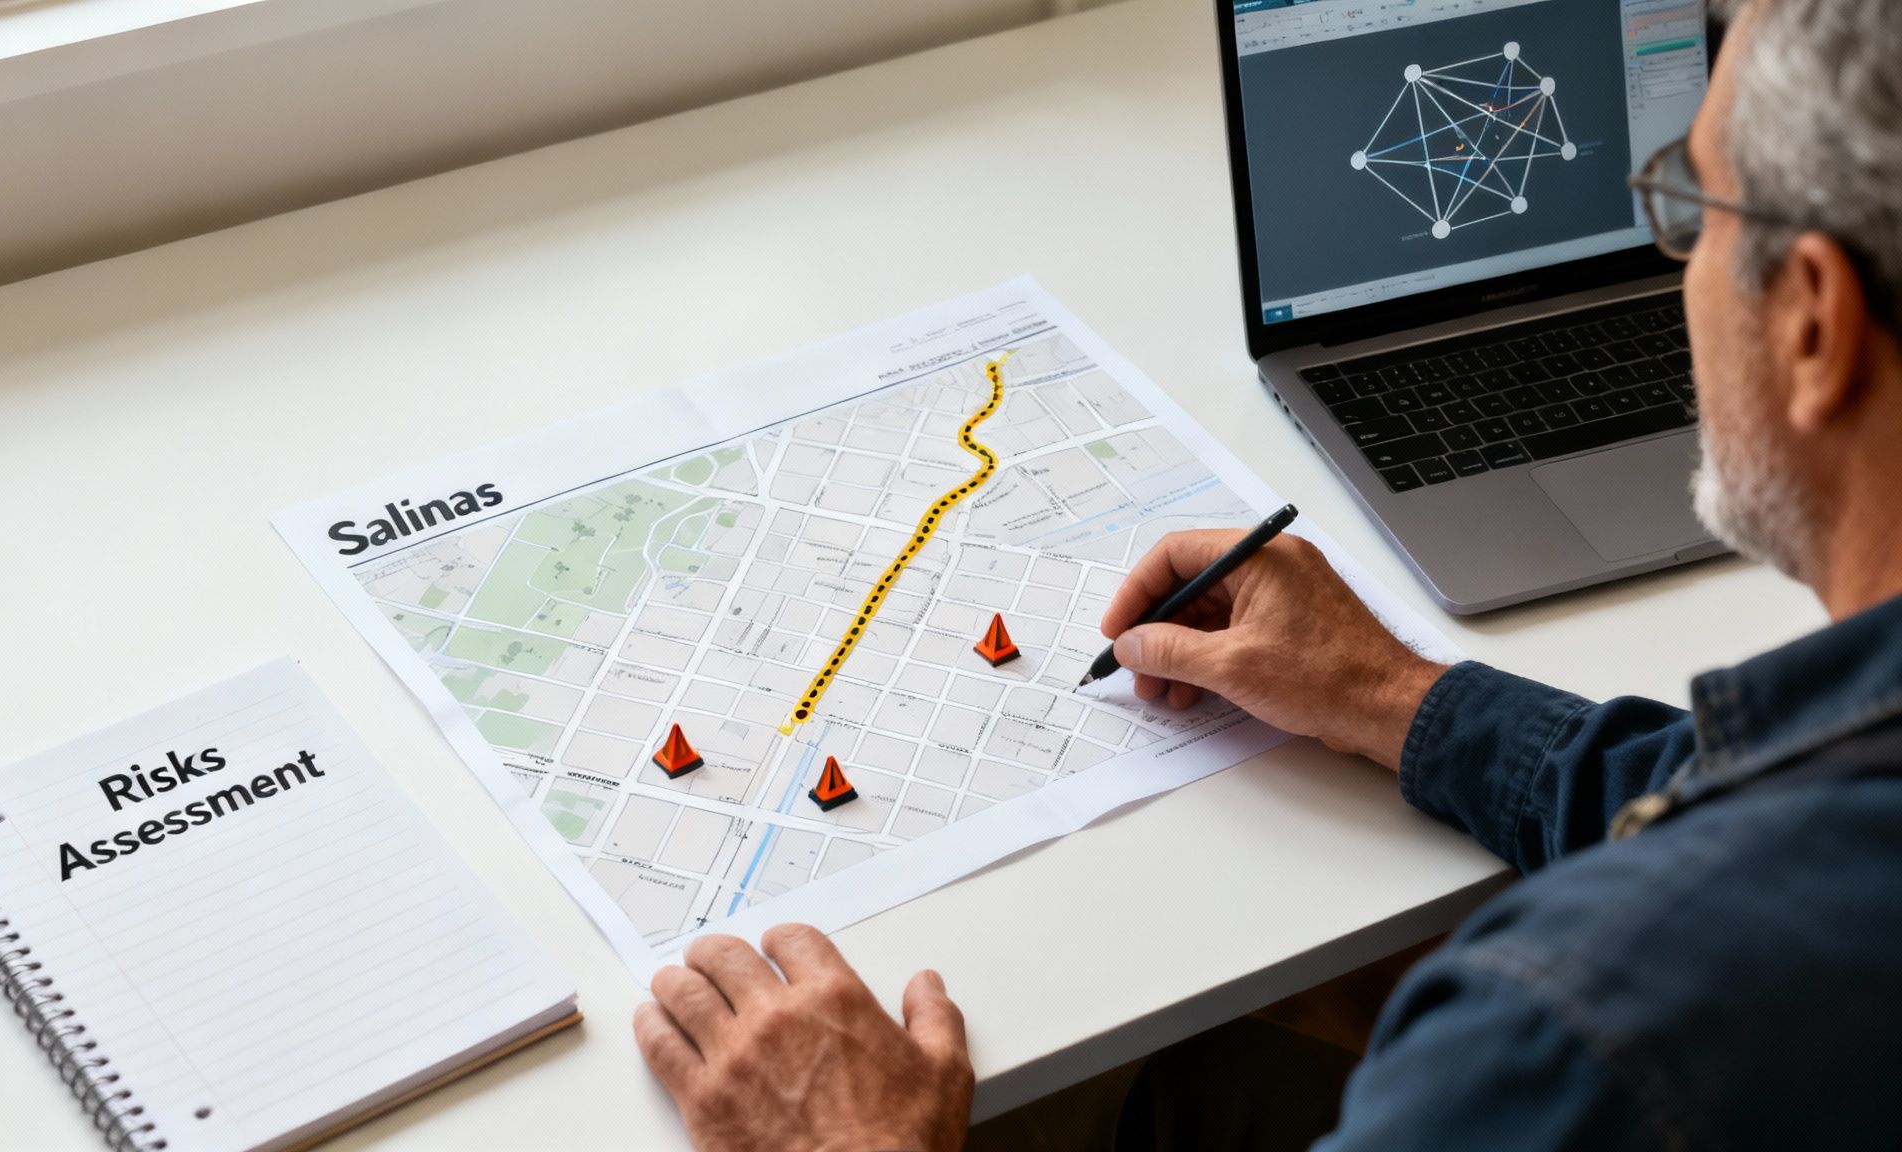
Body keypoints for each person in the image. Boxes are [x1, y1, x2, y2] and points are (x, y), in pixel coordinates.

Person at [631, 1, 1902, 1147]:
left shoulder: (1569, 1034)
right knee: (1198, 1090)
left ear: (1810, 319)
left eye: (1691, 200)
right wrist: (1401, 697)